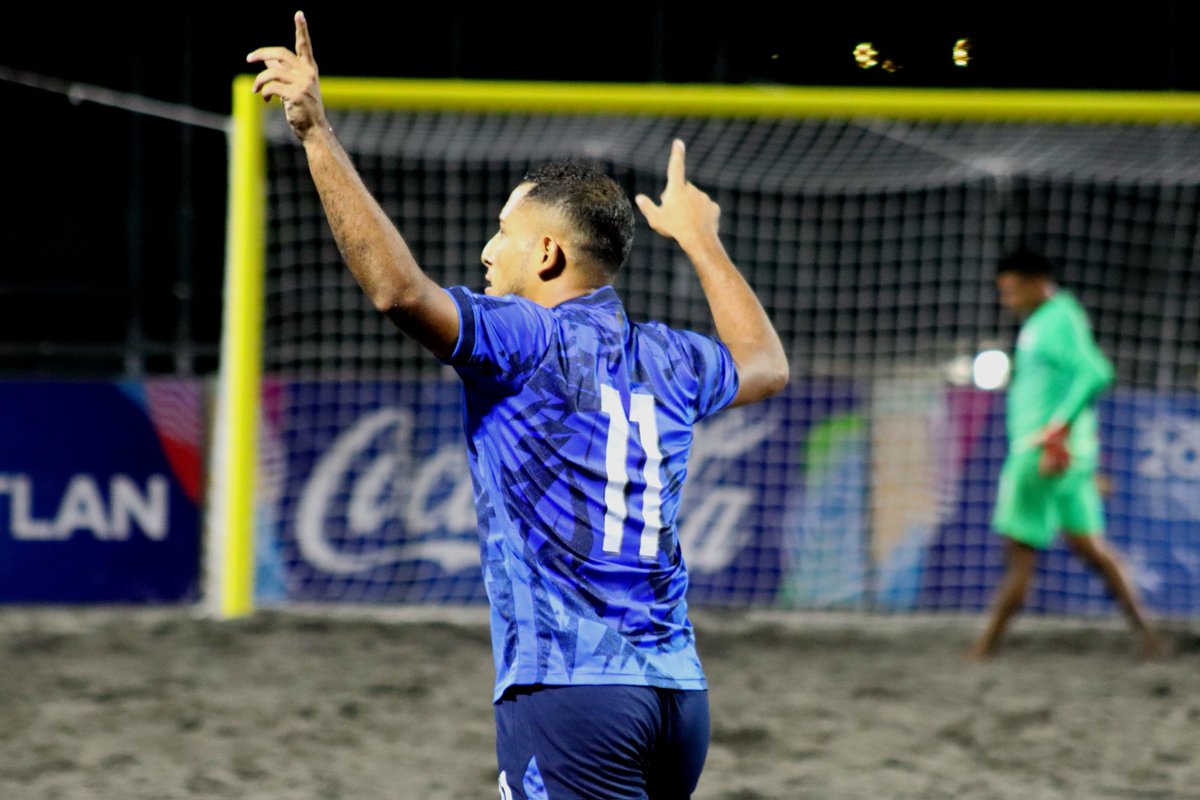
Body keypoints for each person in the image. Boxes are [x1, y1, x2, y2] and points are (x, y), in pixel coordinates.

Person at [248, 12, 788, 799]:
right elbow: (765, 365)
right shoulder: (671, 356)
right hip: (679, 697)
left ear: (548, 253)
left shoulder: (525, 339)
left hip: (572, 694)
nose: (486, 250)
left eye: (502, 231)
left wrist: (316, 133)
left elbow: (398, 291)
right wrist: (702, 242)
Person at [969, 248, 1163, 660]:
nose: (1007, 300)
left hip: (1039, 454)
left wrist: (1058, 426)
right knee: (1094, 551)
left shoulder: (1056, 319)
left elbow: (1097, 373)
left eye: (1012, 290)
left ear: (1036, 281)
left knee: (1019, 559)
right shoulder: (1052, 319)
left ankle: (983, 650)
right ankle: (1149, 639)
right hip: (1068, 459)